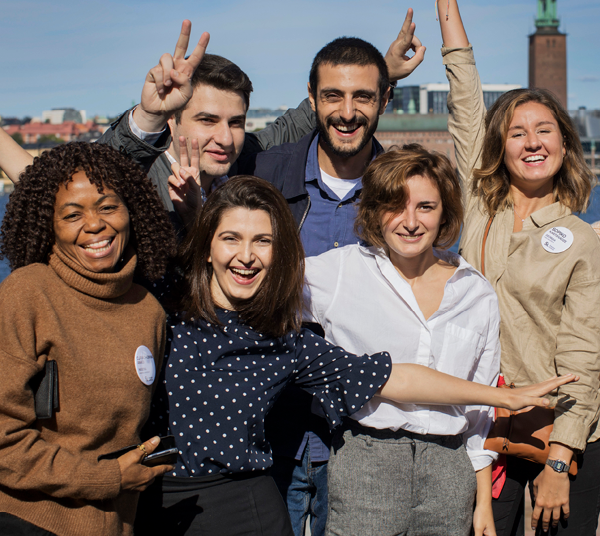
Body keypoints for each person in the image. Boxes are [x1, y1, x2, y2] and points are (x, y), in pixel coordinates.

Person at [133, 174, 574, 536]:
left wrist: (503, 398)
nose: (246, 256)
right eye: (231, 238)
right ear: (208, 245)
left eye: (262, 242)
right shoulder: (159, 308)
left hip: (250, 505)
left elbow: (394, 377)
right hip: (159, 497)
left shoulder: (284, 341)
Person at [428, 0, 600, 535]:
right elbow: (465, 94)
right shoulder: (481, 203)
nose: (530, 142)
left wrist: (562, 456)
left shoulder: (583, 240)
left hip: (559, 429)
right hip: (484, 426)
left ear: (564, 143)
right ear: (500, 146)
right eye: (517, 132)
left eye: (544, 130)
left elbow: (585, 355)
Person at [241, 35, 417, 535]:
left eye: (363, 97)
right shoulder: (263, 174)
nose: (347, 111)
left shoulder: (402, 191)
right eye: (333, 96)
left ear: (385, 100)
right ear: (313, 100)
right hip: (269, 427)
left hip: (363, 433)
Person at [303, 144, 499, 536]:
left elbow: (481, 407)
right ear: (375, 210)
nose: (410, 221)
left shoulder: (476, 293)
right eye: (395, 205)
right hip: (367, 463)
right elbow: (258, 295)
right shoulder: (339, 272)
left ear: (445, 212)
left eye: (425, 207)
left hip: (449, 472)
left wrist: (483, 505)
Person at [98, 14, 425, 234]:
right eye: (207, 120)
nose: (224, 138)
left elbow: (320, 111)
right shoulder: (140, 178)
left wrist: (378, 72)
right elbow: (96, 175)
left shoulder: (245, 160)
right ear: (173, 119)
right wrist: (148, 115)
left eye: (236, 122)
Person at [0, 142, 177, 536]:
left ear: (132, 210)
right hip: (30, 522)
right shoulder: (26, 294)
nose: (95, 224)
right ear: (49, 224)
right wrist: (108, 478)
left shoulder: (148, 309)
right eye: (72, 214)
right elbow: (3, 443)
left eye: (108, 207)